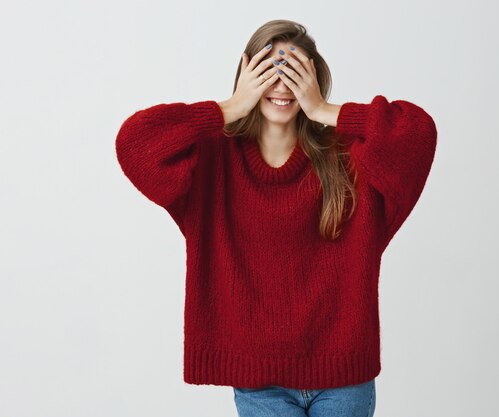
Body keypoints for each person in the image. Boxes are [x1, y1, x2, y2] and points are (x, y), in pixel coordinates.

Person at [115, 19, 437, 417]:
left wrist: (323, 109)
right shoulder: (211, 160)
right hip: (259, 384)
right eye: (269, 71)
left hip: (343, 381)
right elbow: (133, 142)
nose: (283, 86)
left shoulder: (351, 157)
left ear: (314, 79)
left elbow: (419, 134)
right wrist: (231, 106)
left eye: (296, 73)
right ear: (247, 74)